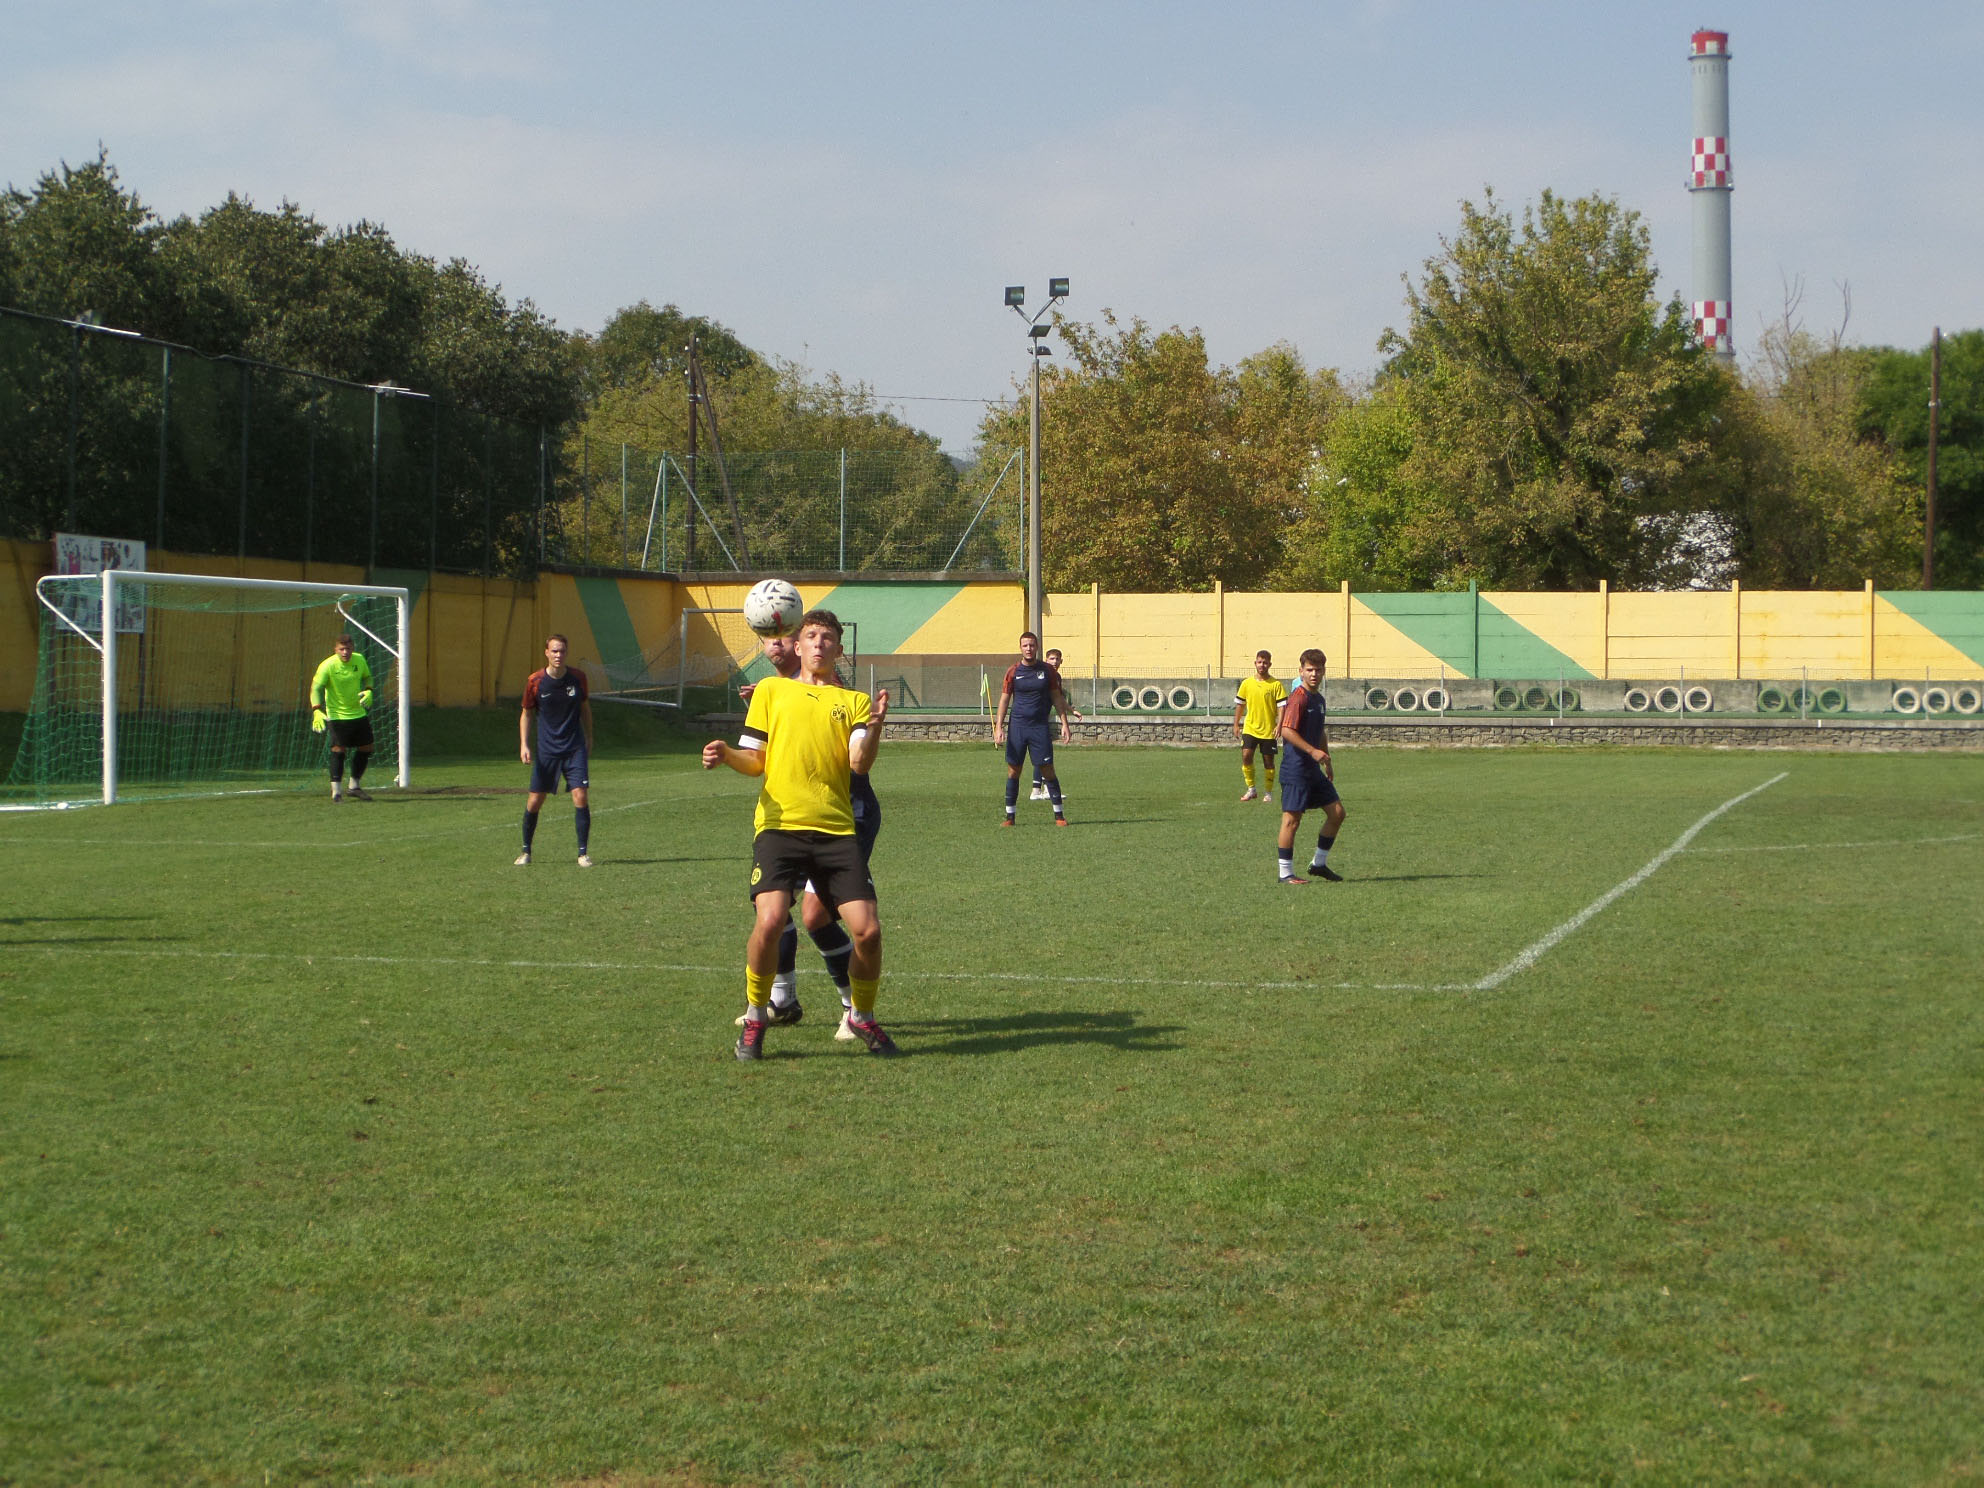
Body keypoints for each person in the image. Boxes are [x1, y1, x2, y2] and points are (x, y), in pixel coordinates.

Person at [703, 609, 897, 1059]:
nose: (818, 643)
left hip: (836, 830)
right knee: (771, 920)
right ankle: (757, 1015)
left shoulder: (854, 702)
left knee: (868, 931)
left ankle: (861, 1016)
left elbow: (858, 763)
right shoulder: (771, 692)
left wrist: (875, 728)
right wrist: (727, 753)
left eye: (827, 637)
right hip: (779, 827)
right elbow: (755, 762)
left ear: (839, 649)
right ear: (797, 644)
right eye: (811, 636)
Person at [517, 634, 595, 867]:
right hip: (547, 750)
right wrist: (524, 744)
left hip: (574, 748)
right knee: (535, 801)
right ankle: (525, 851)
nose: (558, 655)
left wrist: (589, 736)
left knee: (580, 795)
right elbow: (526, 713)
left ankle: (582, 854)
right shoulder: (535, 681)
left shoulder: (578, 678)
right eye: (554, 651)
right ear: (546, 653)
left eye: (562, 651)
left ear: (566, 652)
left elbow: (585, 708)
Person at [1275, 648, 1347, 884]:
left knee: (1337, 813)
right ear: (1301, 671)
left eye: (1318, 670)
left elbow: (1320, 732)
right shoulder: (1298, 698)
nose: (1314, 674)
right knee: (1291, 821)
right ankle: (1285, 874)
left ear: (1324, 671)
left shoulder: (1319, 699)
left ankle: (1318, 864)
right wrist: (1312, 751)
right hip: (1296, 768)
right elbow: (1287, 730)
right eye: (1309, 670)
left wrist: (1326, 759)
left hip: (1313, 770)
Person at [994, 630, 1071, 826]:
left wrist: (1064, 723)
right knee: (1014, 770)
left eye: (1032, 645)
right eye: (1025, 645)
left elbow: (1057, 698)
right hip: (1018, 727)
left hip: (1039, 727)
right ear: (1020, 648)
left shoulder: (1047, 671)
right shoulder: (1013, 671)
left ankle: (1059, 816)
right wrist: (998, 727)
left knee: (1048, 770)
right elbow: (1004, 700)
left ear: (1037, 647)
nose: (1028, 648)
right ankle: (1010, 817)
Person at [310, 633, 376, 803]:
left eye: (348, 648)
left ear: (352, 648)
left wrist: (369, 690)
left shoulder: (359, 660)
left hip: (358, 713)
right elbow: (315, 688)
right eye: (342, 649)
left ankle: (354, 787)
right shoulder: (327, 665)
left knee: (366, 747)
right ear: (335, 649)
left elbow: (368, 677)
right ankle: (336, 792)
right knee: (338, 750)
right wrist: (316, 709)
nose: (345, 652)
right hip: (337, 715)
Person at [1232, 649, 1288, 803]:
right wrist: (1236, 724)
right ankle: (1251, 789)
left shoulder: (1276, 684)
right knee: (1246, 756)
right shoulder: (1246, 683)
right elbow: (1240, 705)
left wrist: (1279, 725)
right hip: (1250, 728)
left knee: (1268, 762)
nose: (1262, 665)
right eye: (1259, 662)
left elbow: (1282, 706)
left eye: (1265, 662)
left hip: (1268, 730)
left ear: (1270, 664)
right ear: (1255, 663)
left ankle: (1268, 792)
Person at [1032, 647, 1083, 798]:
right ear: (1046, 660)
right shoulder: (1041, 675)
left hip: (1043, 719)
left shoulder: (1057, 677)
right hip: (1034, 719)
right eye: (1051, 659)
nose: (1054, 662)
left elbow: (1058, 698)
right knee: (1045, 753)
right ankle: (1046, 789)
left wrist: (1071, 710)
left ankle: (1036, 790)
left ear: (1061, 661)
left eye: (1057, 659)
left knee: (1042, 754)